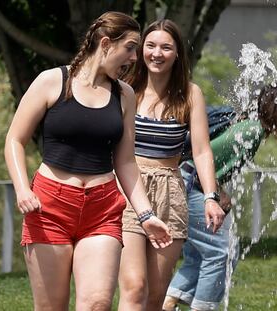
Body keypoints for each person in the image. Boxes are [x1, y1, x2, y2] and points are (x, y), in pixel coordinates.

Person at [4, 11, 173, 311]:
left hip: (102, 208)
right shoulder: (52, 81)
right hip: (50, 207)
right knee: (51, 307)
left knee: (97, 304)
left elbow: (126, 162)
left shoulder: (124, 95)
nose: (135, 57)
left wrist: (146, 216)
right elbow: (15, 139)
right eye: (131, 47)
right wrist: (22, 189)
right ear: (106, 43)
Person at [163, 82, 277, 311]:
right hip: (189, 185)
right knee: (222, 251)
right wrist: (218, 194)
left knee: (200, 255)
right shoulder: (251, 130)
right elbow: (201, 163)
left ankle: (167, 304)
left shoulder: (252, 128)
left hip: (185, 184)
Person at [118, 19, 225, 311]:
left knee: (155, 295)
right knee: (134, 287)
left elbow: (202, 151)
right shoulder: (126, 89)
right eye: (150, 45)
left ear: (177, 53)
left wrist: (210, 197)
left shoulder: (190, 94)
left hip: (171, 191)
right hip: (129, 190)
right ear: (141, 50)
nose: (157, 53)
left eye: (166, 47)